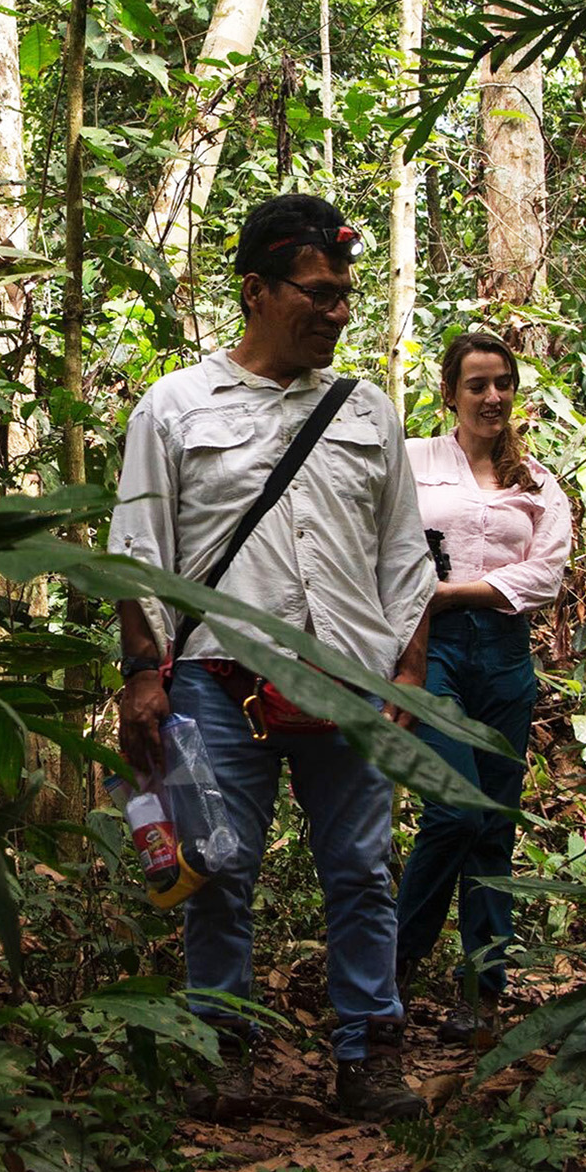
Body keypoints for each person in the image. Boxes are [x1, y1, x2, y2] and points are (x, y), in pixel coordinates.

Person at [109, 193, 433, 1124]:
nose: (337, 312)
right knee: (217, 869)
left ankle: (368, 1050)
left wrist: (406, 674)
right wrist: (140, 676)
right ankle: (225, 1049)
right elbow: (137, 550)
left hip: (348, 683)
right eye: (318, 294)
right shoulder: (173, 407)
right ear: (256, 290)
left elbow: (404, 557)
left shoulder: (367, 409)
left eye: (344, 295)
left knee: (364, 871)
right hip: (218, 682)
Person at [394, 332, 571, 1046]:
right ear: (451, 393)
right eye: (477, 384)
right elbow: (385, 547)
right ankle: (392, 970)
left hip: (502, 655)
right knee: (454, 813)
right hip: (426, 654)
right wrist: (425, 609)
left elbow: (545, 576)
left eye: (502, 383)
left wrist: (452, 593)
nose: (492, 397)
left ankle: (482, 992)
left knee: (494, 823)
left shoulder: (537, 482)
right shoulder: (409, 460)